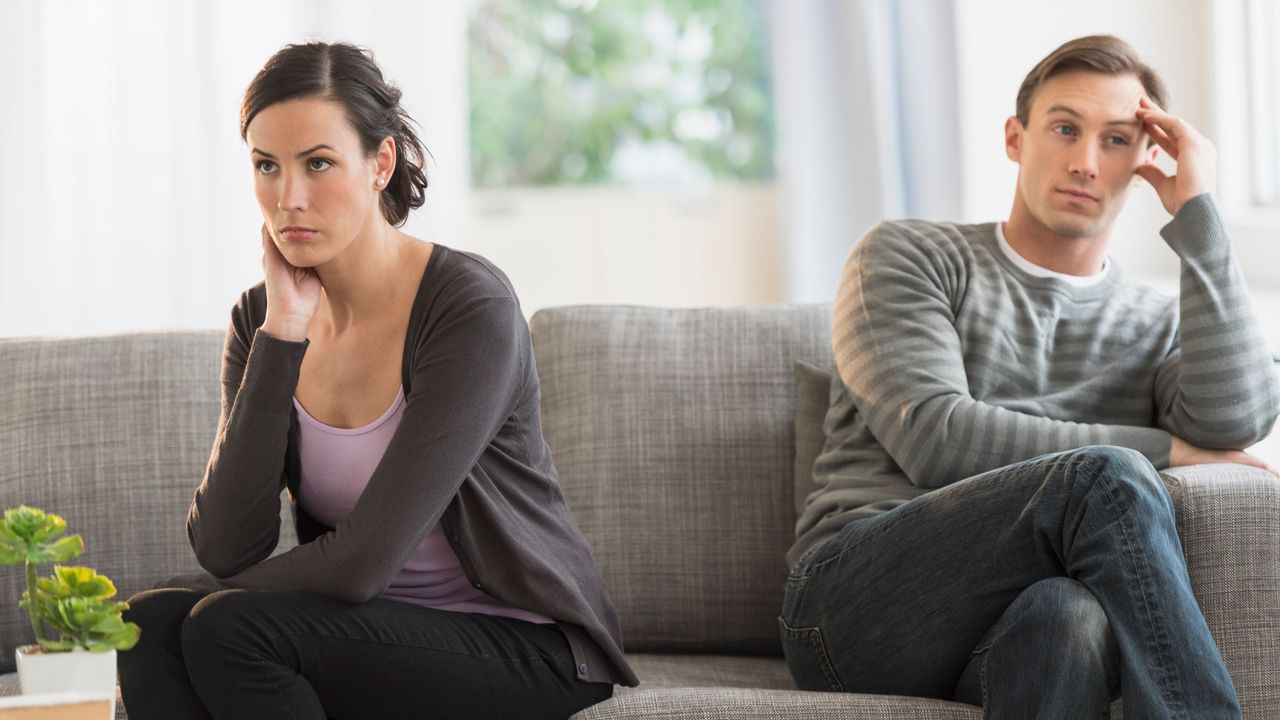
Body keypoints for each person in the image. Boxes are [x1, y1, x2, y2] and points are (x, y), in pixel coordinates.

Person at [117, 41, 636, 720]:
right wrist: (282, 336)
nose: (288, 198)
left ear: (380, 163)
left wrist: (213, 590)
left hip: (526, 645)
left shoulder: (466, 306)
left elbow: (361, 563)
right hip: (364, 628)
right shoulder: (262, 317)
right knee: (145, 625)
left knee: (227, 626)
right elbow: (224, 543)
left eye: (319, 163)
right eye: (266, 166)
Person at [783, 34, 1280, 720]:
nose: (1083, 162)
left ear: (1145, 162)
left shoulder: (1156, 324)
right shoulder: (908, 255)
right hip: (850, 608)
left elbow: (1236, 424)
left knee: (1068, 617)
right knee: (1105, 475)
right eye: (1065, 128)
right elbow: (935, 436)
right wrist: (1169, 452)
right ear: (1016, 138)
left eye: (1114, 141)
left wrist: (1198, 210)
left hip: (1006, 628)